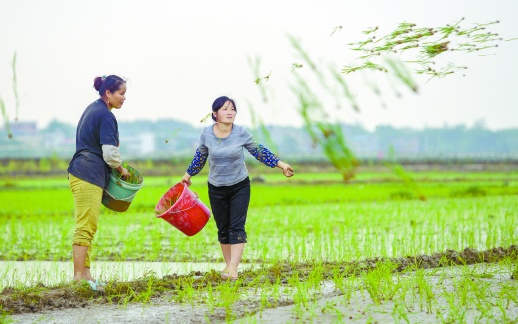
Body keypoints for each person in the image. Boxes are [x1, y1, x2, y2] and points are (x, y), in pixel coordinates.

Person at [181, 96, 294, 281]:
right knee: (223, 228)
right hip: (216, 186)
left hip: (239, 185)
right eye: (225, 109)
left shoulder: (241, 132)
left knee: (236, 226)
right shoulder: (206, 134)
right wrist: (188, 175)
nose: (229, 112)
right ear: (215, 114)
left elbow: (259, 151)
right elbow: (200, 156)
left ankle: (233, 268)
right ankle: (229, 266)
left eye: (232, 109)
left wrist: (281, 165)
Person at [67, 75, 130, 291]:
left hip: (81, 171)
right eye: (121, 93)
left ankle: (87, 275)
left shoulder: (92, 109)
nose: (124, 98)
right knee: (85, 226)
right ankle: (78, 278)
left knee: (89, 225)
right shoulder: (106, 116)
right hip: (88, 173)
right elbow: (110, 153)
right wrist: (122, 170)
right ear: (108, 93)